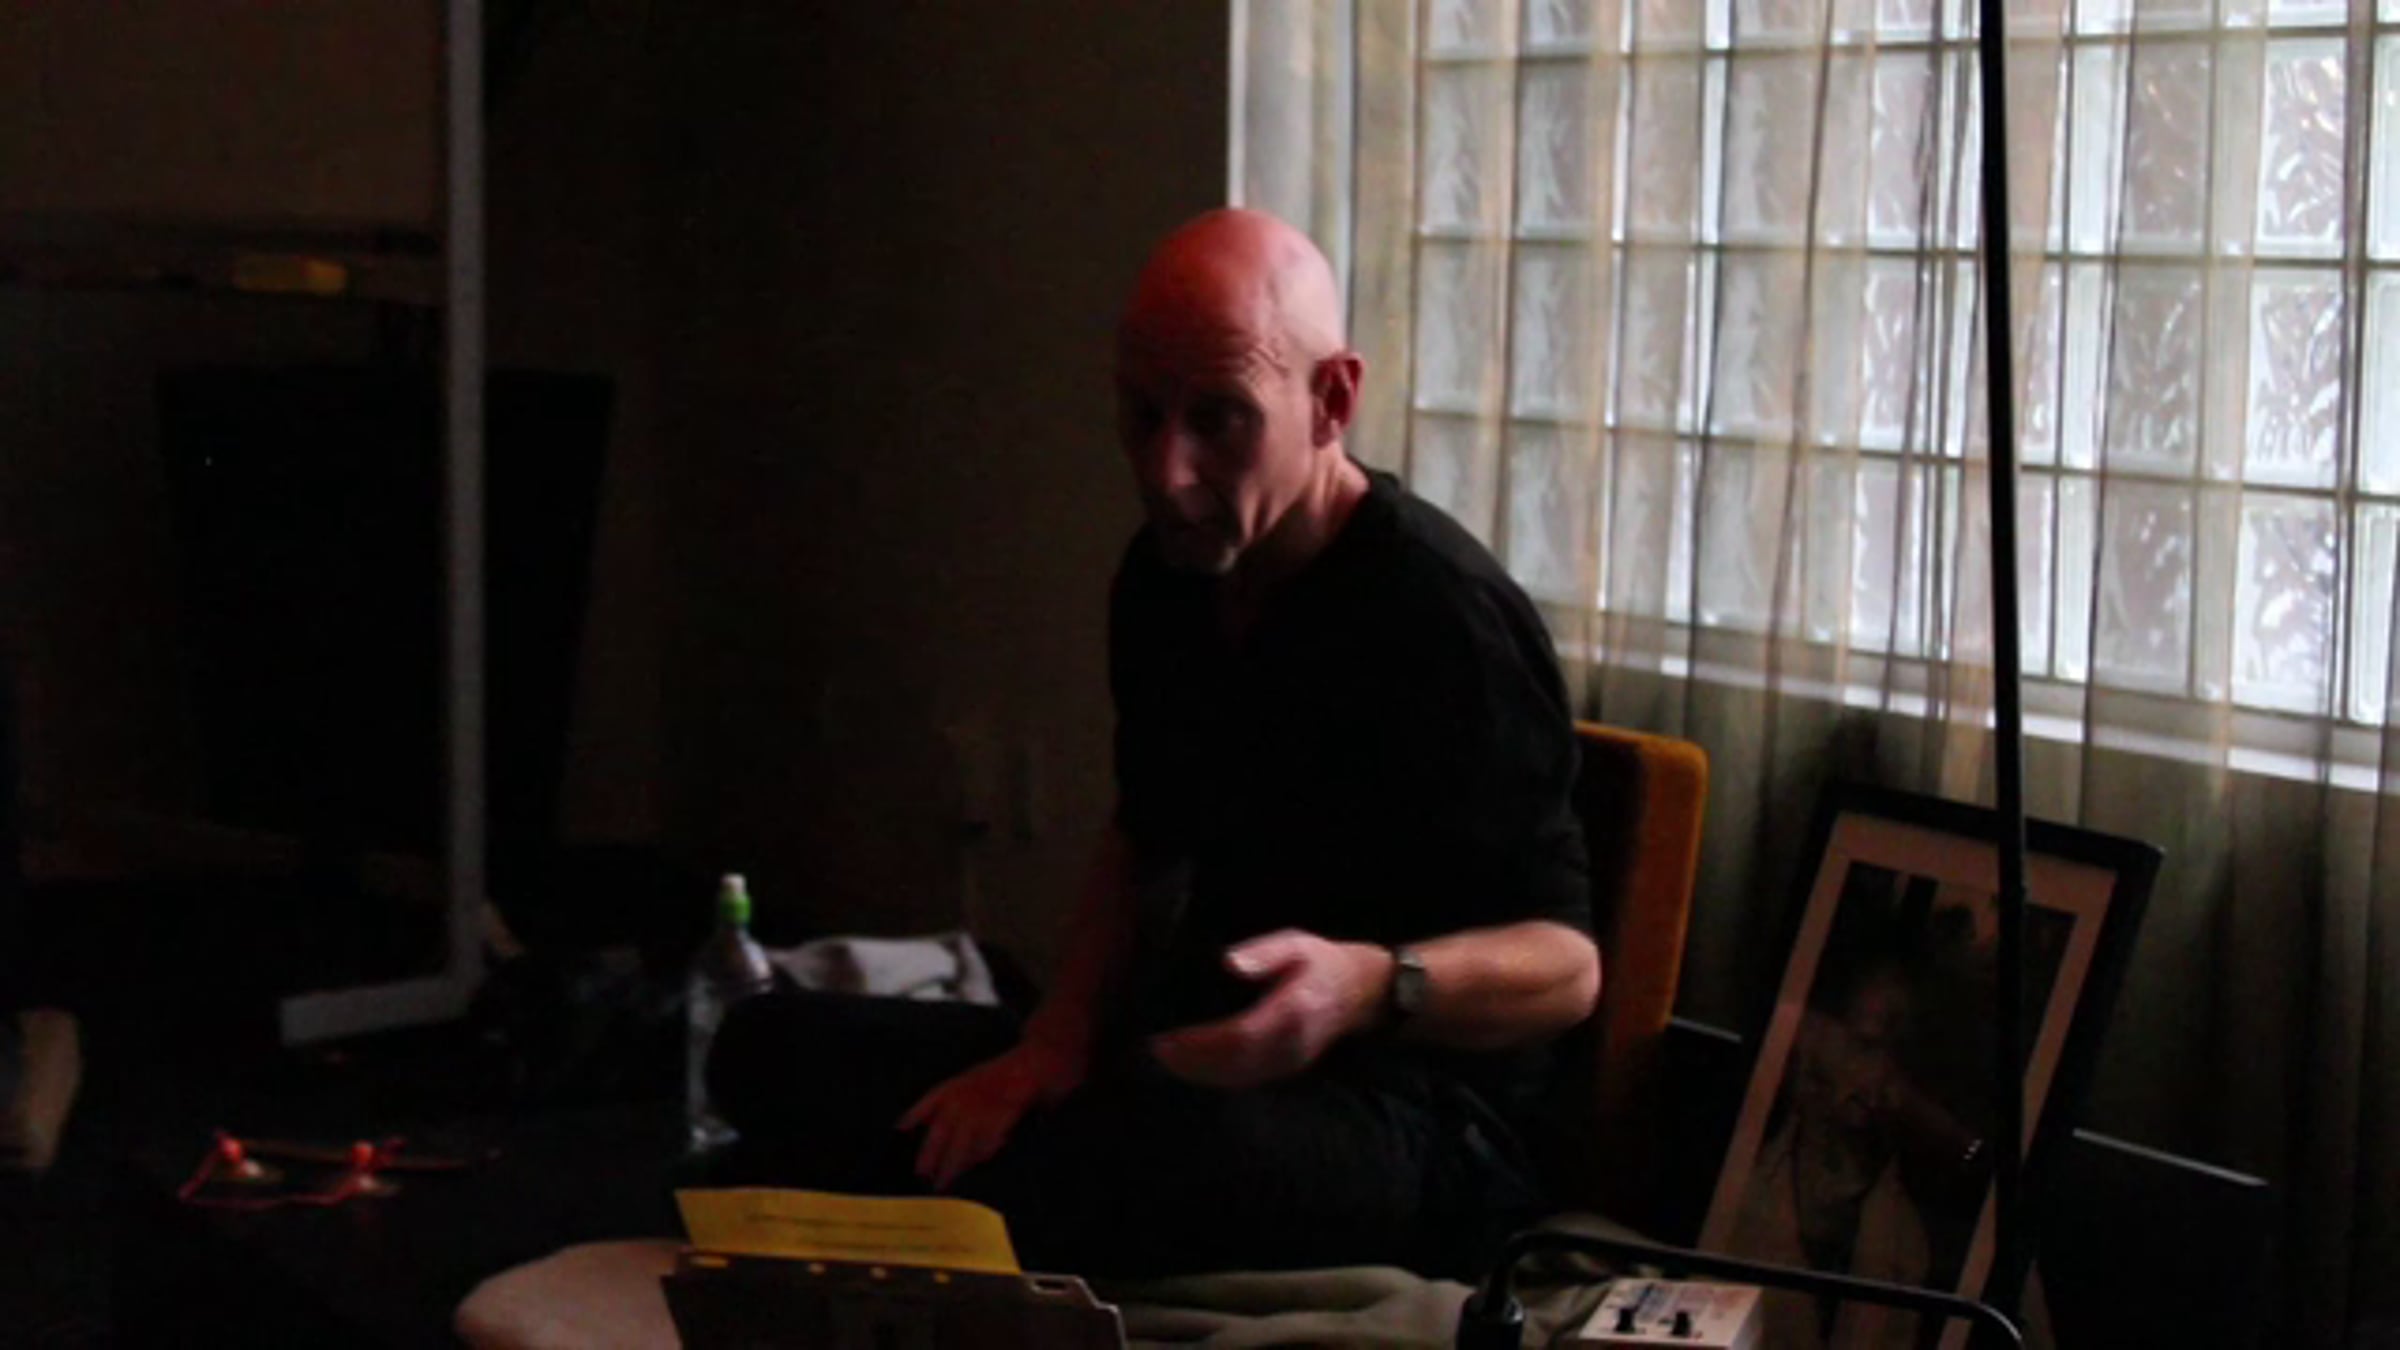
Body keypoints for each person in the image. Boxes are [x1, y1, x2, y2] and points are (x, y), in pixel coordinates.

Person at [708, 207, 1598, 1280]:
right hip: (1192, 1057)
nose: (1168, 473)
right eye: (1142, 415)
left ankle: (890, 1194)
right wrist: (1053, 1040)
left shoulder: (1444, 616)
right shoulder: (1168, 578)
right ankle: (940, 1190)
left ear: (1331, 401)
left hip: (1416, 1119)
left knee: (1148, 1154)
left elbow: (1570, 970)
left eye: (1219, 420)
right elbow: (1144, 833)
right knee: (762, 1047)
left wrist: (1367, 986)